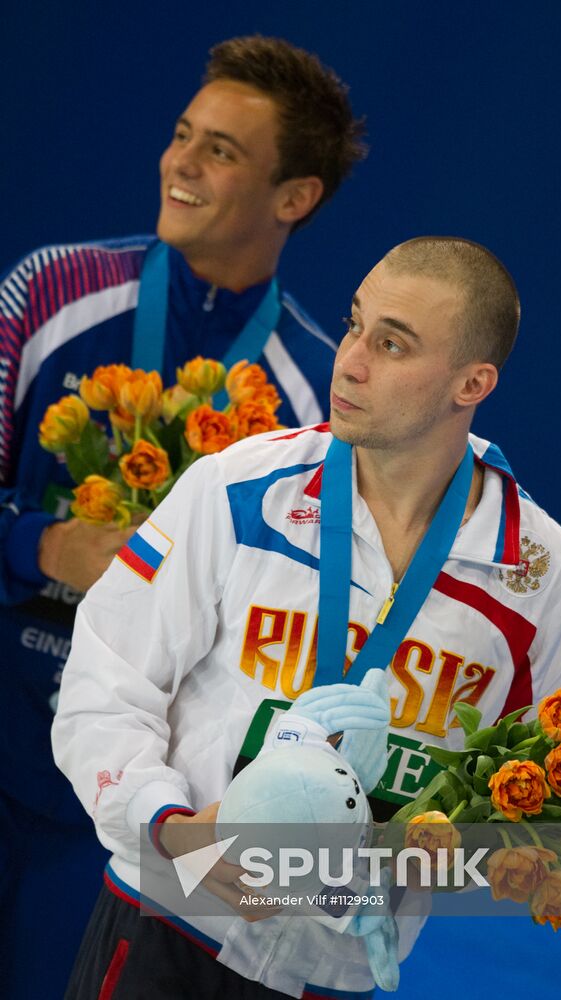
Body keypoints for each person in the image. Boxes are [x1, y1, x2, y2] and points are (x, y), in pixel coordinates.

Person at [53, 237, 561, 999]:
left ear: (472, 382)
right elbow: (103, 686)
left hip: (334, 975)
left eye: (392, 343)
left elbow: (537, 798)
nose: (350, 360)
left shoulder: (538, 572)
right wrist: (177, 833)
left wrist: (453, 856)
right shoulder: (239, 490)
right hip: (166, 928)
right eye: (353, 326)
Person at [0, 35, 366, 999]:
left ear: (294, 197)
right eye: (181, 135)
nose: (181, 164)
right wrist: (36, 543)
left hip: (124, 805)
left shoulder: (313, 401)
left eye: (222, 151)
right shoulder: (48, 295)